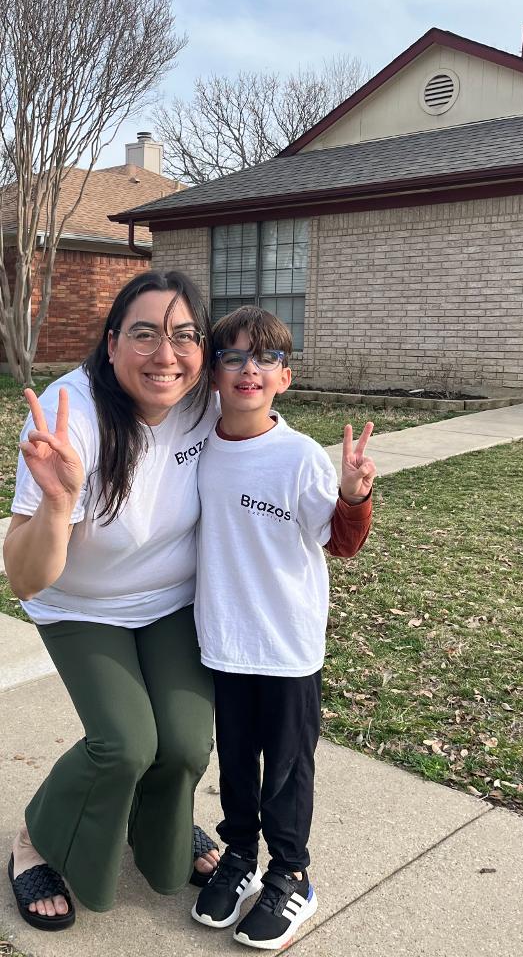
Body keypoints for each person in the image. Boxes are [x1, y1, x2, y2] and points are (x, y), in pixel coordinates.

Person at [4, 270, 222, 930]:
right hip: (80, 605)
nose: (166, 356)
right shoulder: (71, 418)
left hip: (168, 601)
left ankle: (161, 827)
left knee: (183, 745)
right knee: (126, 744)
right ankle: (35, 839)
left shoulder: (205, 401)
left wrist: (349, 500)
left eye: (185, 337)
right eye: (145, 335)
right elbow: (27, 579)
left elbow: (268, 445)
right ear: (110, 343)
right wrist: (60, 502)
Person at [190, 306, 376, 950]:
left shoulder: (298, 456)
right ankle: (239, 858)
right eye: (234, 356)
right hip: (223, 638)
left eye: (264, 359)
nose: (249, 369)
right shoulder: (199, 446)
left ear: (285, 378)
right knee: (237, 762)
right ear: (213, 373)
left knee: (288, 769)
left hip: (288, 646)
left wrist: (352, 494)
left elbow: (341, 542)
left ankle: (291, 874)